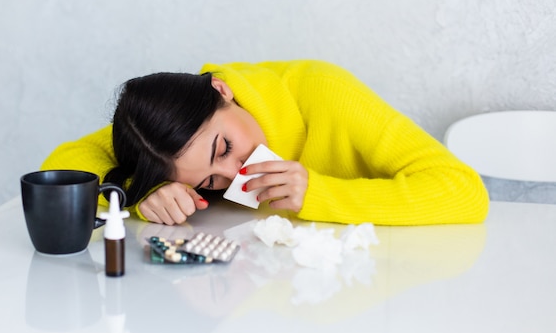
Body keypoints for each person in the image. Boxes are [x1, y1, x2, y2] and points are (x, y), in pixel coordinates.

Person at [41, 60, 489, 226]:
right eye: (208, 183)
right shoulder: (162, 137)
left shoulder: (326, 92)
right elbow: (65, 162)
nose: (234, 174)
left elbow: (465, 192)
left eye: (224, 148)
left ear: (221, 91)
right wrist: (145, 194)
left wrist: (318, 193)